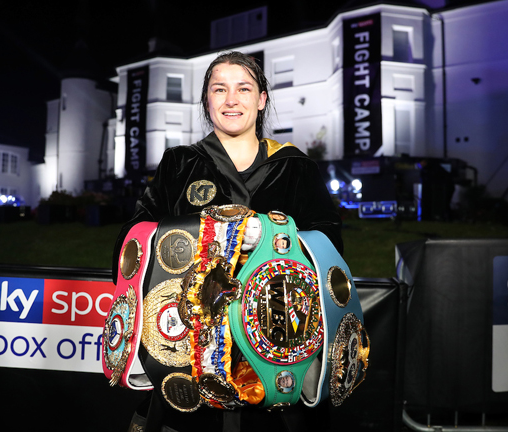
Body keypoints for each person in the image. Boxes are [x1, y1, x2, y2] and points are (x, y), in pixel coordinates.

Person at [113, 51, 341, 432]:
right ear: (207, 100)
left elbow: (330, 245)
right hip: (190, 345)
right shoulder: (179, 163)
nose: (231, 100)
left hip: (275, 341)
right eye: (219, 89)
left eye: (243, 89)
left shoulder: (296, 167)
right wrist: (204, 233)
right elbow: (134, 239)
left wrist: (273, 236)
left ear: (262, 98)